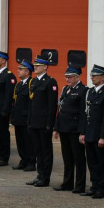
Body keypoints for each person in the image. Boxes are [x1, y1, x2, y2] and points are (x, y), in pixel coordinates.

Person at [81, 64, 104, 199]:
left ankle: (102, 188)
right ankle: (94, 185)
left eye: (94, 76)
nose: (92, 77)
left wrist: (103, 136)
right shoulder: (91, 92)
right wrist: (83, 132)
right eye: (91, 75)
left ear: (102, 77)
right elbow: (86, 113)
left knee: (102, 162)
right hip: (90, 133)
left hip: (99, 134)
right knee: (92, 162)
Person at [54, 65, 87, 193]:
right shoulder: (65, 89)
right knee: (67, 158)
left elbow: (83, 113)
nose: (67, 79)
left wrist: (82, 131)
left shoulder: (83, 90)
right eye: (66, 77)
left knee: (78, 158)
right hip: (64, 128)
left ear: (77, 77)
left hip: (75, 129)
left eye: (70, 77)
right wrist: (56, 127)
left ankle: (79, 185)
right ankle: (67, 183)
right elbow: (61, 110)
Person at [27, 57, 58, 187]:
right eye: (35, 65)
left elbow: (52, 106)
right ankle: (39, 175)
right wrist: (29, 121)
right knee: (37, 150)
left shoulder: (50, 82)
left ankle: (45, 177)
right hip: (34, 121)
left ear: (45, 67)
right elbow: (31, 104)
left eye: (38, 65)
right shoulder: (33, 81)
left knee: (45, 151)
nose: (35, 67)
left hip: (44, 122)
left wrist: (49, 124)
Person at [11, 59, 34, 171]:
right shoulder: (19, 85)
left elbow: (31, 104)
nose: (18, 71)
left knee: (28, 142)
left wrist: (30, 118)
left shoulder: (31, 84)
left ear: (28, 72)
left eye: (21, 69)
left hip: (26, 119)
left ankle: (31, 162)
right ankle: (23, 160)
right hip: (18, 118)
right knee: (20, 142)